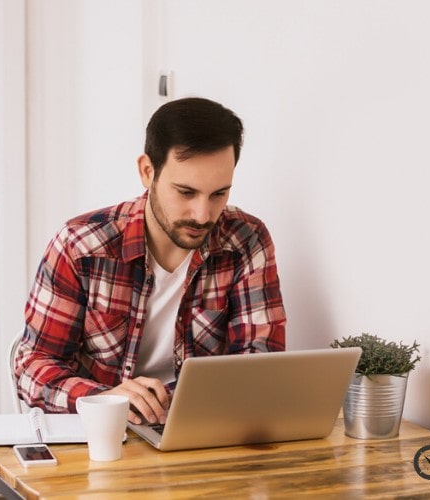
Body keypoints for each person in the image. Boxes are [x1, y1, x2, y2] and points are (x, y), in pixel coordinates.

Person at [14, 97, 286, 425]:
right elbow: (32, 365)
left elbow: (261, 364)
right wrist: (104, 400)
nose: (203, 215)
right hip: (102, 436)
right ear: (147, 171)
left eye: (219, 194)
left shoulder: (246, 240)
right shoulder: (81, 245)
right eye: (186, 193)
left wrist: (164, 402)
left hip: (198, 433)